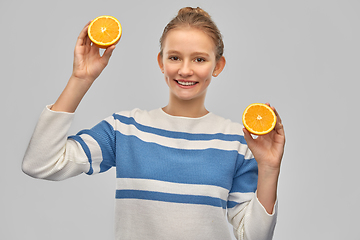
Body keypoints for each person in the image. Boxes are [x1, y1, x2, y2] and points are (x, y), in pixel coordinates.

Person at [22, 7, 285, 240]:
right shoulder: (124, 130)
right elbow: (40, 163)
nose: (185, 69)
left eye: (199, 59)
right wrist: (80, 78)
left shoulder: (237, 142)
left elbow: (252, 237)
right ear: (161, 62)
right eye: (174, 57)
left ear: (218, 65)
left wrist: (270, 168)